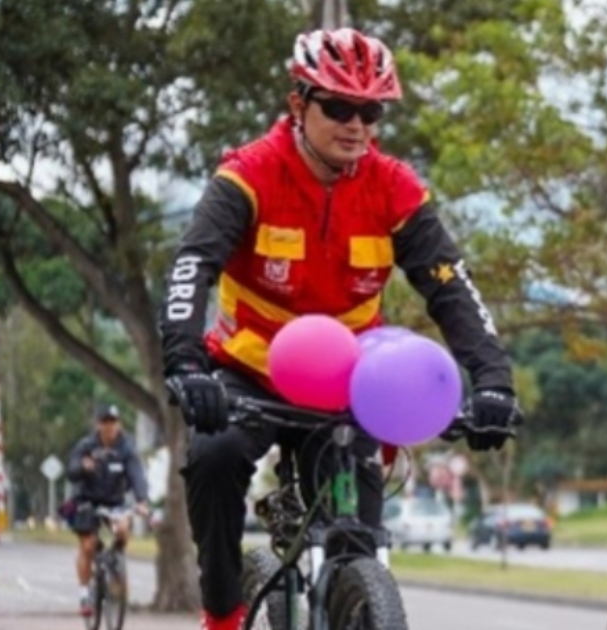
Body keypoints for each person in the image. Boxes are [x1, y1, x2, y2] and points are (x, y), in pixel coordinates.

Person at [158, 27, 522, 630]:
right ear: (298, 104)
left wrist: (493, 382)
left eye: (371, 111)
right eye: (339, 107)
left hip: (350, 382)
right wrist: (185, 363)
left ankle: (353, 597)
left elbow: (451, 287)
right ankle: (222, 611)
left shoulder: (394, 189)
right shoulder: (249, 175)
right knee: (213, 456)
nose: (356, 125)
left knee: (356, 541)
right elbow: (192, 266)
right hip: (248, 372)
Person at [64, 403, 150, 617]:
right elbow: (71, 471)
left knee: (123, 529)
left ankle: (115, 561)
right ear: (98, 425)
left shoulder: (126, 448)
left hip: (114, 502)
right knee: (88, 546)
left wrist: (142, 500)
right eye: (105, 423)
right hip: (87, 501)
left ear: (118, 424)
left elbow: (136, 474)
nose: (109, 427)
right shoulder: (86, 446)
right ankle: (85, 594)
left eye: (113, 422)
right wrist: (82, 467)